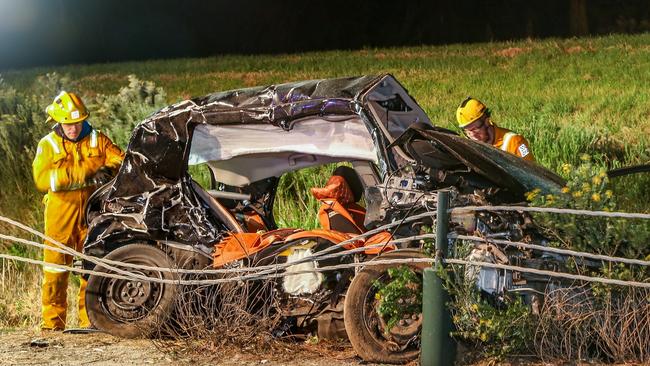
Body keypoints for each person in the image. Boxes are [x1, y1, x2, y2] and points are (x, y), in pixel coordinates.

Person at [32, 91, 125, 330]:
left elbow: (121, 159)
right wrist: (81, 172)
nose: (73, 128)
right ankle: (52, 326)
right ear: (58, 122)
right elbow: (42, 179)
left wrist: (109, 168)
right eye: (67, 124)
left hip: (91, 215)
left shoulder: (97, 139)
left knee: (91, 269)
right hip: (60, 215)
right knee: (56, 271)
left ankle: (90, 324)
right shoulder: (48, 145)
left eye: (76, 122)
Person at [456, 97, 535, 161]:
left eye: (475, 129)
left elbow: (533, 175)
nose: (472, 135)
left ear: (487, 121)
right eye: (467, 131)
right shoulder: (470, 148)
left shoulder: (515, 142)